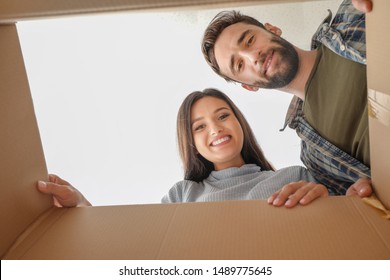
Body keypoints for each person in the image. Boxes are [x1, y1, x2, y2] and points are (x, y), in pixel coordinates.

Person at [37, 88, 372, 208]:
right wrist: (82, 205)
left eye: (223, 115)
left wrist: (338, 202)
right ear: (192, 144)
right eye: (199, 126)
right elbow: (140, 243)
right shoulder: (183, 194)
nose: (216, 128)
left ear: (239, 123)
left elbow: (359, 207)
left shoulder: (297, 176)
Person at [201, 0, 372, 195]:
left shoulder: (353, 14)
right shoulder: (315, 158)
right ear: (249, 87)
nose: (252, 56)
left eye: (249, 40)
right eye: (240, 65)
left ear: (272, 29)